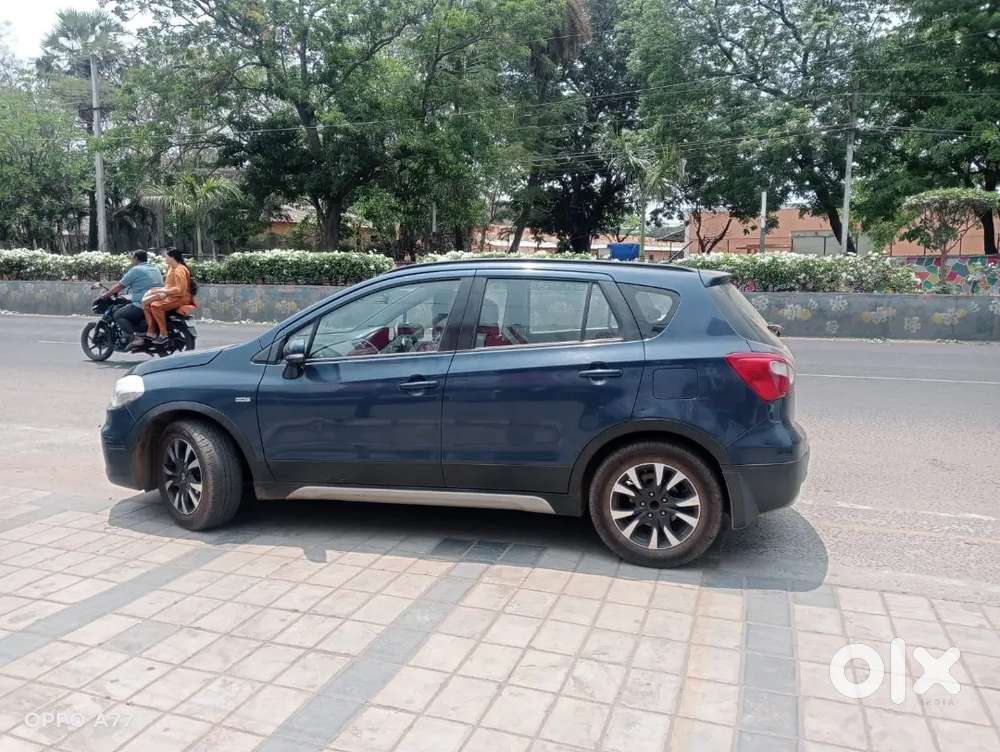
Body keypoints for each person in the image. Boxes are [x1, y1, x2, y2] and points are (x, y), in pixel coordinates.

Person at [102, 251, 163, 345]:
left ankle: (135, 338)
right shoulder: (155, 268)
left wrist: (107, 294)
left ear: (136, 258)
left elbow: (120, 285)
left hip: (142, 304)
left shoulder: (136, 270)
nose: (132, 260)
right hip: (158, 301)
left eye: (132, 258)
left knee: (118, 315)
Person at [141, 248, 197, 346]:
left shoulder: (180, 270)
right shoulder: (171, 268)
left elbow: (179, 290)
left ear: (172, 258)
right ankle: (152, 331)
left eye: (166, 257)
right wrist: (157, 290)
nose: (164, 259)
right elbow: (169, 286)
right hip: (171, 296)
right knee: (146, 304)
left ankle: (163, 334)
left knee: (156, 306)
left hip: (180, 298)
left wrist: (162, 291)